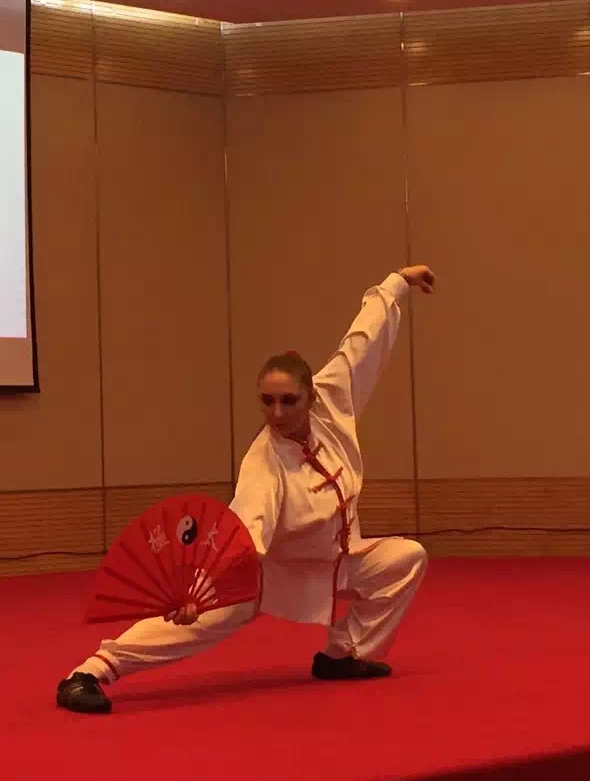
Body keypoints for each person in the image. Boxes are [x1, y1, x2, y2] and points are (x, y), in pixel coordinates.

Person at [57, 266, 436, 714]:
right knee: (198, 624)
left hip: (339, 559)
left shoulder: (334, 397)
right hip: (268, 570)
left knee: (405, 559)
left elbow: (361, 341)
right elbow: (244, 534)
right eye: (267, 401)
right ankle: (90, 671)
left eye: (288, 400)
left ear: (312, 395)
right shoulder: (263, 462)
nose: (276, 413)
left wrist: (397, 282)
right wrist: (197, 592)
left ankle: (344, 654)